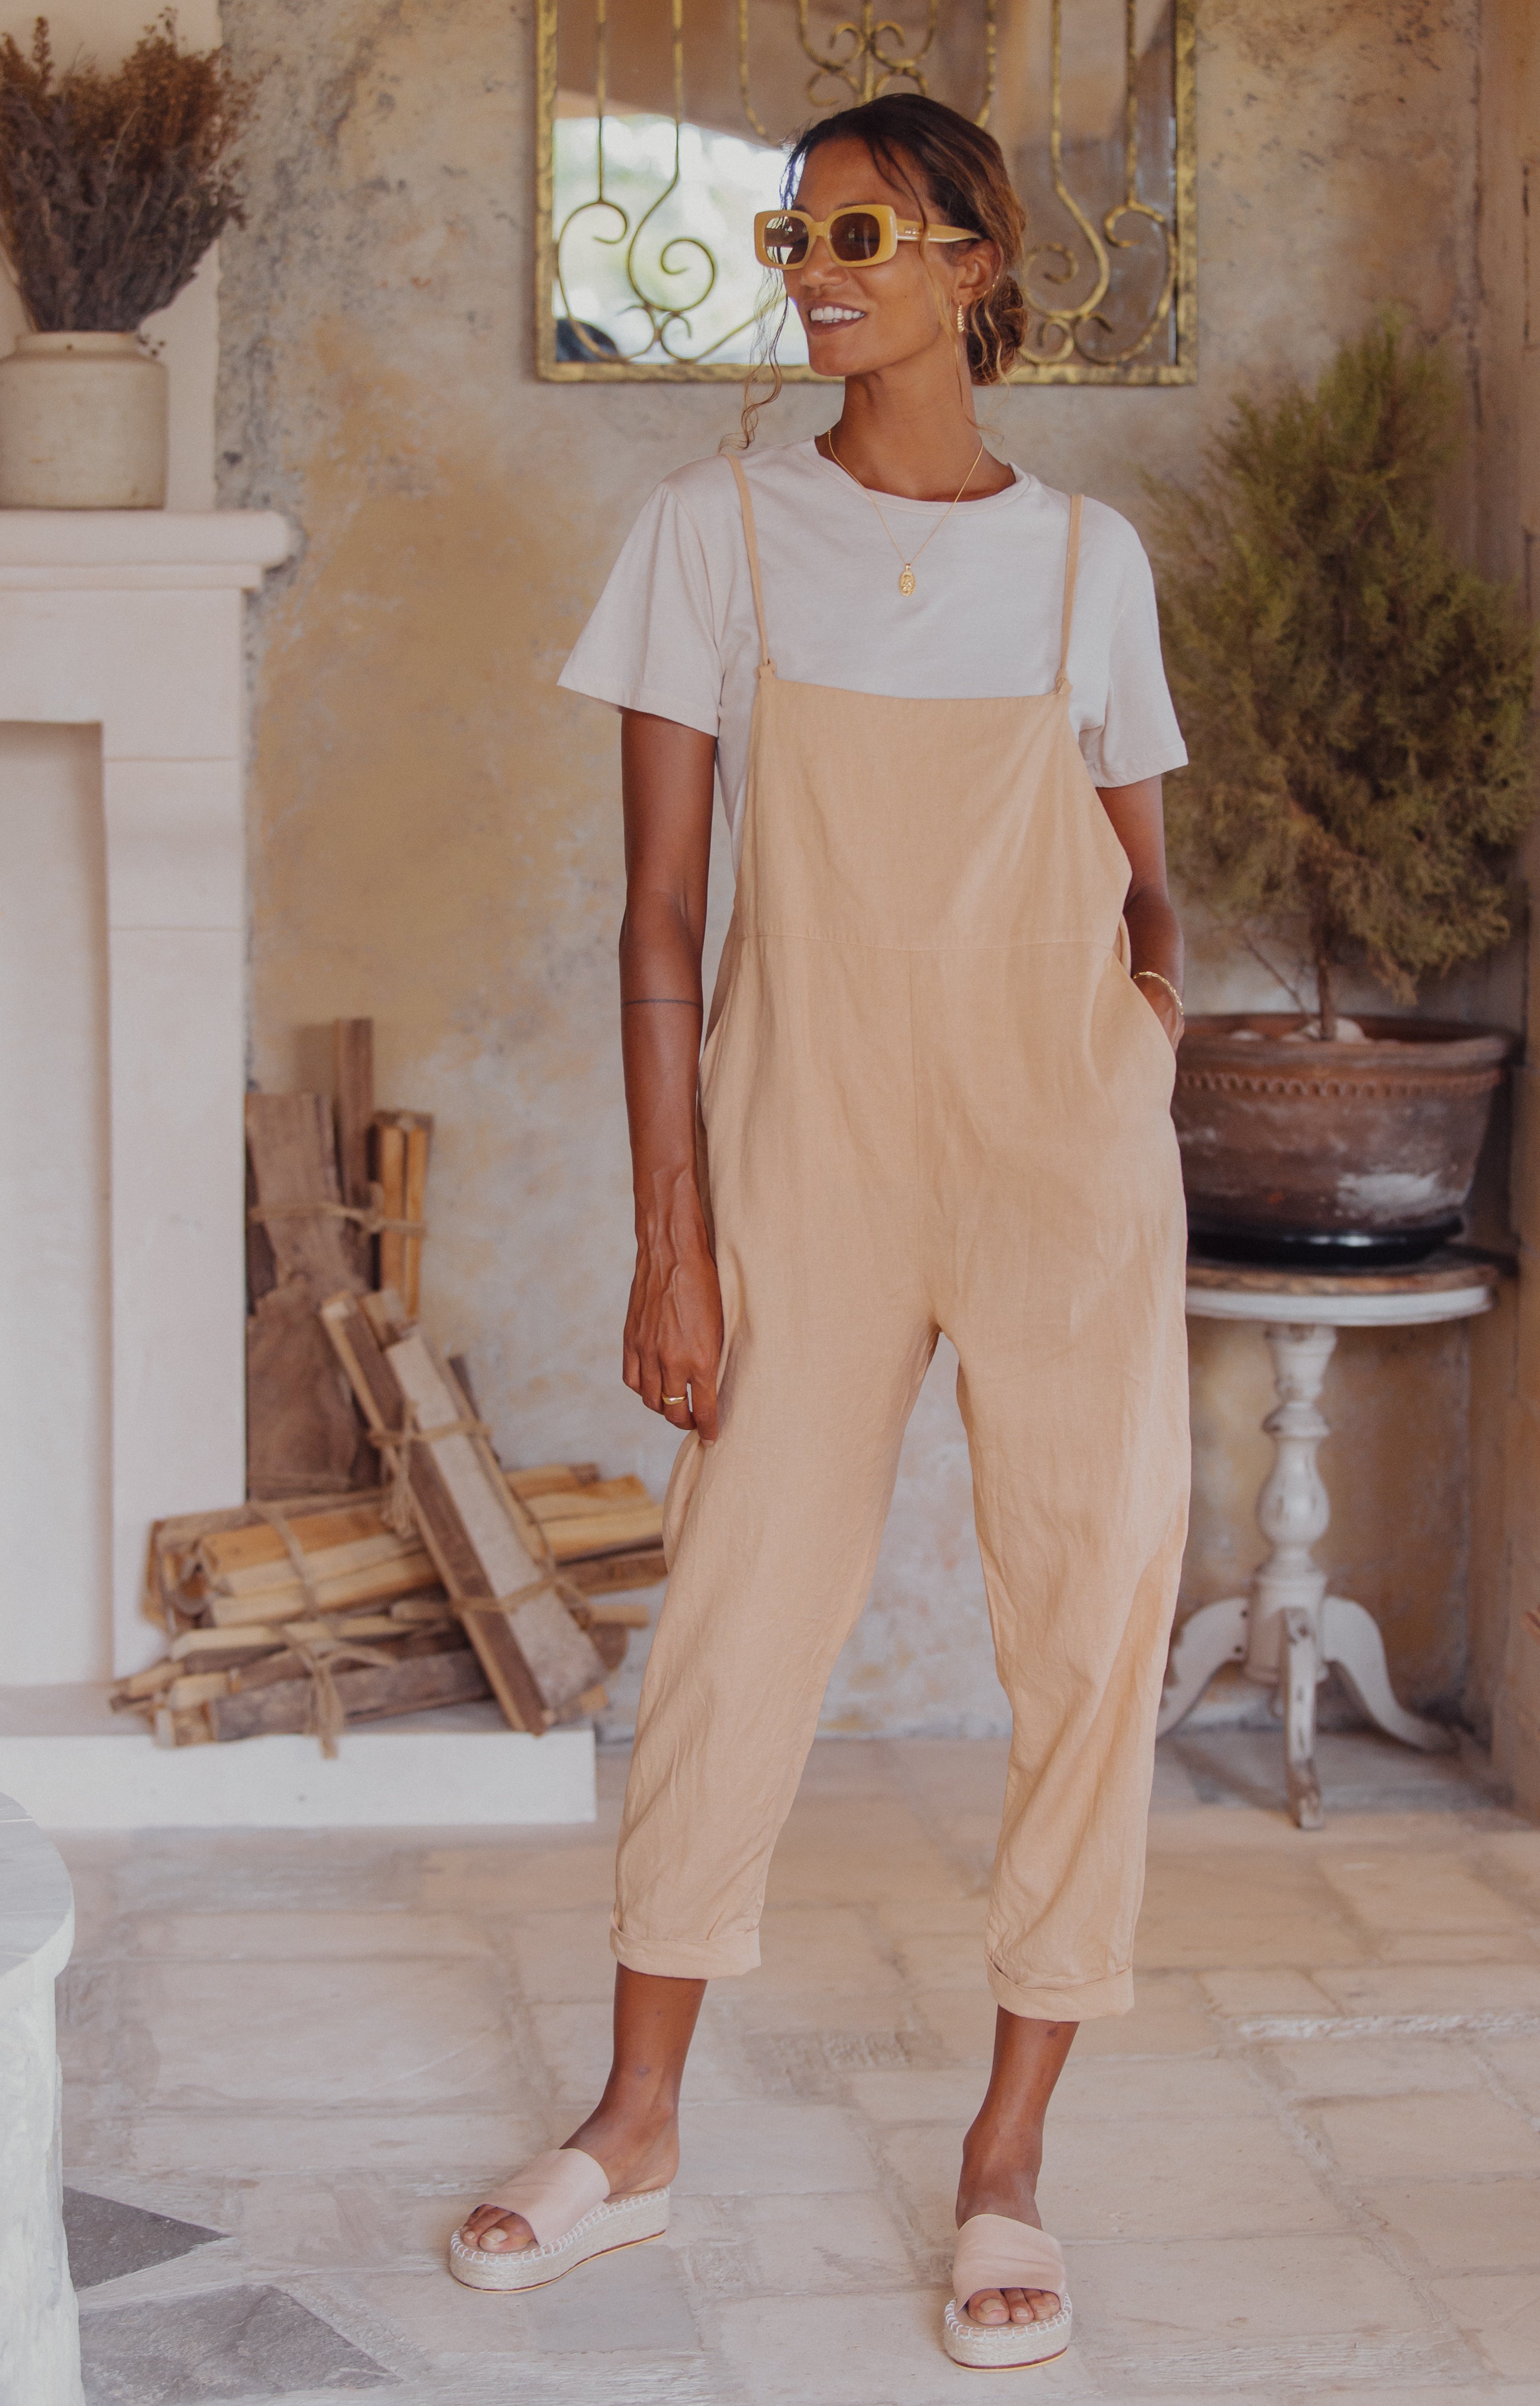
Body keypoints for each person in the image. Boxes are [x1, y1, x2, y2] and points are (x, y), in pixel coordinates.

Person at [450, 91, 1190, 2371]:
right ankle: (639, 2123)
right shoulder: (714, 532)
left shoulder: (1087, 563)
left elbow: (1149, 878)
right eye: (791, 228)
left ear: (977, 261)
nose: (810, 260)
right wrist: (676, 1233)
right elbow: (662, 921)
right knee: (742, 1610)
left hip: (1059, 1153)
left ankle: (1006, 2158)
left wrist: (1135, 1031)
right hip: (804, 1145)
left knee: (1092, 1614)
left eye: (858, 225)